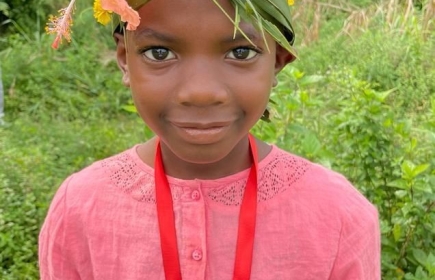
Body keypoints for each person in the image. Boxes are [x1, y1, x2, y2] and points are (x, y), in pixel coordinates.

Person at [39, 0, 381, 279]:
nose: (201, 93)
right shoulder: (79, 209)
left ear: (277, 61)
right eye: (159, 53)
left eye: (241, 53)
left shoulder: (339, 216)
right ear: (125, 59)